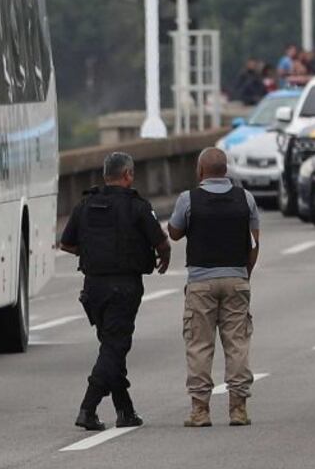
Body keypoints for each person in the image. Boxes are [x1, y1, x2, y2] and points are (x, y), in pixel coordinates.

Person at [59, 152, 171, 431]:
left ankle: (125, 411)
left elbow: (66, 243)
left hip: (93, 287)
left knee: (111, 347)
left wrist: (94, 253)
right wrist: (163, 260)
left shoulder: (85, 204)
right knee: (114, 347)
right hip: (124, 286)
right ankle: (88, 407)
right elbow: (161, 242)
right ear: (128, 175)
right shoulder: (137, 206)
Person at [167, 147, 260, 428]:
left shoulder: (188, 199)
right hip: (236, 280)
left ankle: (200, 410)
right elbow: (254, 243)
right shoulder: (245, 198)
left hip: (200, 283)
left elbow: (174, 232)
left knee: (199, 345)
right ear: (226, 170)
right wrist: (244, 274)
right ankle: (238, 408)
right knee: (237, 344)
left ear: (200, 171)